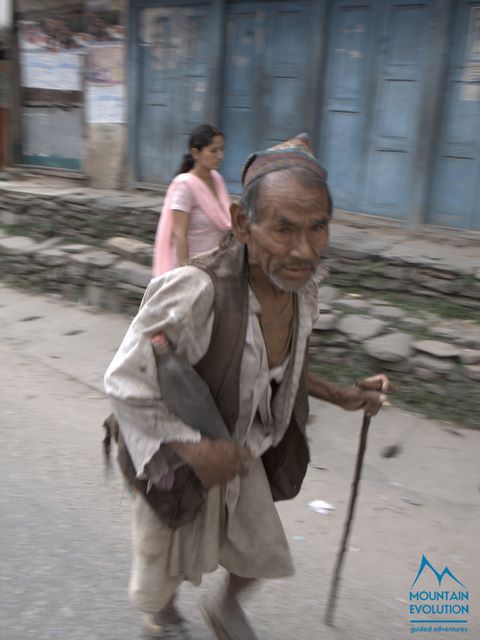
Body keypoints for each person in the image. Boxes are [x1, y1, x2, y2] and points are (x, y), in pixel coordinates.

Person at [104, 134, 391, 640]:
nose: (303, 250)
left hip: (240, 447)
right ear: (241, 223)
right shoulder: (197, 291)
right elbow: (124, 380)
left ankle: (226, 607)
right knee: (162, 560)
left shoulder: (301, 289)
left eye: (317, 227)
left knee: (260, 548)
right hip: (171, 446)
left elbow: (281, 364)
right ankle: (162, 617)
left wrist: (343, 395)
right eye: (283, 229)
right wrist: (192, 451)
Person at [153, 124, 231, 276]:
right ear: (196, 153)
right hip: (195, 270)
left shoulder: (217, 179)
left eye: (222, 149)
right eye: (213, 150)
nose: (220, 156)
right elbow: (180, 235)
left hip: (218, 266)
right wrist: (184, 273)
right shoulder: (185, 187)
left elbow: (226, 221)